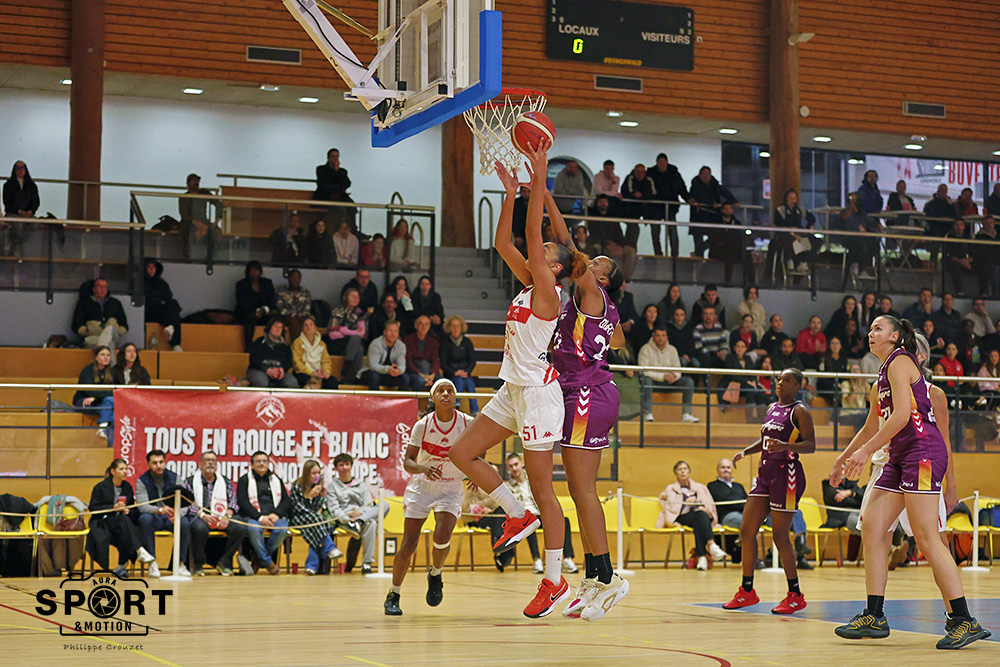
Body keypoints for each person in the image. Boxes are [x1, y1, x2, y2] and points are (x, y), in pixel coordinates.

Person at [447, 144, 588, 619]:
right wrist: (510, 193)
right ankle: (515, 512)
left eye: (546, 251)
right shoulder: (530, 283)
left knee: (545, 489)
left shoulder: (550, 290)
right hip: (513, 388)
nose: (538, 250)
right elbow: (503, 244)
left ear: (556, 268)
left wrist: (539, 175)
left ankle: (554, 580)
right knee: (461, 453)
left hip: (540, 396)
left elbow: (529, 233)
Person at [830, 317, 988, 648]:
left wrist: (865, 453)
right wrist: (842, 459)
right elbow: (870, 427)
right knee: (873, 526)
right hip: (899, 457)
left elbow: (903, 415)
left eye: (878, 328)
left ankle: (963, 620)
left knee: (928, 538)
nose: (870, 333)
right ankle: (874, 615)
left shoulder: (901, 361)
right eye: (870, 329)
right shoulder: (882, 375)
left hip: (922, 454)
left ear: (895, 336)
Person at [544, 188, 634, 620]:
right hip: (581, 389)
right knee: (578, 492)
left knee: (582, 490)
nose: (592, 261)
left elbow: (567, 245)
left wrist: (546, 194)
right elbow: (617, 341)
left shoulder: (593, 294)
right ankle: (594, 577)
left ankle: (610, 578)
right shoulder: (592, 301)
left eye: (600, 263)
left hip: (586, 392)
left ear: (604, 280)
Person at [723, 368, 815, 614]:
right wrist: (745, 451)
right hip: (765, 473)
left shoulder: (800, 411)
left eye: (787, 380)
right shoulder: (772, 408)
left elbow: (811, 445)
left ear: (797, 385)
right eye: (779, 379)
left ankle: (795, 595)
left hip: (788, 475)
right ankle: (747, 591)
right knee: (747, 530)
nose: (780, 383)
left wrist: (785, 446)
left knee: (780, 536)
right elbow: (766, 441)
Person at [384, 380, 472, 615]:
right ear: (433, 398)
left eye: (450, 390)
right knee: (408, 545)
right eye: (440, 391)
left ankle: (435, 573)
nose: (446, 394)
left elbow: (479, 449)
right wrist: (423, 469)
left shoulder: (467, 422)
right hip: (422, 486)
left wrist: (477, 469)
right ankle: (394, 593)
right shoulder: (422, 425)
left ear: (455, 397)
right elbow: (408, 462)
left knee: (442, 535)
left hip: (450, 487)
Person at [498, 453, 580, 579]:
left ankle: (568, 559)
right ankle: (537, 560)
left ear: (522, 464)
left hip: (541, 514)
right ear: (508, 468)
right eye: (511, 466)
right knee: (529, 524)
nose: (514, 468)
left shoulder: (533, 479)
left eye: (516, 464)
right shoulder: (507, 487)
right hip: (525, 517)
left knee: (564, 521)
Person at [86, 458, 156, 578]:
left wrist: (128, 511)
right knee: (124, 522)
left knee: (125, 526)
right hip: (103, 522)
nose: (125, 471)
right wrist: (112, 508)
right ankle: (140, 550)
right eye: (121, 469)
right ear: (113, 471)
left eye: (126, 469)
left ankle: (121, 565)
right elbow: (93, 508)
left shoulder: (127, 487)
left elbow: (133, 508)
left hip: (120, 522)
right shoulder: (100, 487)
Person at [184, 450, 247, 577]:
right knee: (199, 528)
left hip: (222, 515)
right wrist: (203, 515)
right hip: (200, 515)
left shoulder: (225, 481)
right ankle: (198, 564)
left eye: (213, 460)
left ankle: (225, 562)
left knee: (240, 528)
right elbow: (186, 503)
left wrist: (227, 516)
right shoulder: (190, 481)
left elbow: (233, 502)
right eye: (207, 460)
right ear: (200, 464)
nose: (210, 463)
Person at [656, 461, 729, 570]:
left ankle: (702, 557)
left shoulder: (700, 487)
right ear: (676, 473)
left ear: (689, 472)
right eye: (680, 469)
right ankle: (712, 545)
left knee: (699, 521)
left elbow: (709, 503)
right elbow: (669, 505)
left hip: (699, 517)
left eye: (685, 469)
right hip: (681, 516)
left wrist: (699, 505)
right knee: (700, 516)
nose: (683, 471)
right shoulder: (670, 488)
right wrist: (686, 504)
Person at [326, 452, 387, 575]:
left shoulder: (361, 484)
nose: (344, 468)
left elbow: (368, 505)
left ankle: (366, 564)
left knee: (384, 505)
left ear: (351, 466)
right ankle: (367, 562)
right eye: (341, 465)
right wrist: (348, 517)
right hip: (345, 521)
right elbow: (334, 509)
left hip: (361, 517)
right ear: (336, 468)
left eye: (347, 464)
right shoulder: (332, 487)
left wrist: (359, 515)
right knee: (372, 523)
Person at [135, 449, 191, 578]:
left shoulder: (175, 478)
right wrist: (159, 510)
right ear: (148, 464)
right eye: (154, 463)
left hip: (172, 517)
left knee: (184, 523)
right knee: (144, 519)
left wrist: (177, 515)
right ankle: (152, 562)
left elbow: (185, 503)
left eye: (161, 462)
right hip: (155, 517)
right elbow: (142, 506)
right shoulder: (141, 481)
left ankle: (181, 563)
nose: (158, 466)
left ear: (165, 462)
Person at [237, 451, 291, 575]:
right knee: (254, 529)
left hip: (273, 517)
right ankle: (267, 561)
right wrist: (260, 517)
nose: (262, 464)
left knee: (282, 529)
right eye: (258, 461)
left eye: (264, 461)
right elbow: (243, 502)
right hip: (253, 517)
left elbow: (286, 501)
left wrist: (277, 514)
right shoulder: (244, 480)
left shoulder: (276, 479)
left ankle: (259, 559)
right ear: (252, 465)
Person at [637, 326, 698, 423]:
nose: (660, 338)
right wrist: (662, 377)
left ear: (667, 337)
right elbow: (643, 371)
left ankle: (687, 414)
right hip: (654, 382)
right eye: (658, 335)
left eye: (663, 336)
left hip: (670, 382)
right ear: (653, 336)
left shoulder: (672, 349)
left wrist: (674, 376)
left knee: (688, 382)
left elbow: (678, 369)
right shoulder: (645, 349)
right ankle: (648, 413)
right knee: (645, 380)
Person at [290, 460, 341, 576]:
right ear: (306, 474)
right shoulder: (297, 487)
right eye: (313, 473)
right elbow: (298, 508)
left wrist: (316, 508)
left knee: (317, 528)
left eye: (318, 473)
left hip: (314, 521)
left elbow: (319, 507)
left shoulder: (319, 487)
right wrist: (309, 497)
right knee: (318, 521)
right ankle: (330, 548)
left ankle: (311, 566)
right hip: (298, 518)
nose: (317, 476)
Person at [648, 153, 692, 257]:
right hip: (655, 207)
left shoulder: (674, 174)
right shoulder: (650, 174)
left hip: (670, 207)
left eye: (663, 162)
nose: (662, 164)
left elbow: (682, 188)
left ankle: (675, 254)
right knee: (655, 232)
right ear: (657, 163)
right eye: (660, 162)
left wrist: (688, 198)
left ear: (667, 163)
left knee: (672, 231)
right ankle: (658, 253)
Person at [689, 166, 737, 259]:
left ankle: (698, 254)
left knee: (714, 237)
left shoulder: (715, 185)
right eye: (704, 174)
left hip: (711, 216)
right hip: (698, 216)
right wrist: (711, 203)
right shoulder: (695, 185)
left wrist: (733, 200)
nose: (706, 176)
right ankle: (698, 259)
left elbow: (724, 191)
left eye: (708, 174)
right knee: (698, 239)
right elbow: (698, 196)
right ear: (700, 175)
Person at [768, 188, 817, 279]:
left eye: (794, 198)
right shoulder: (781, 209)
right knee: (789, 240)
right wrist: (792, 233)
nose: (792, 201)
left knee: (813, 240)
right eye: (790, 198)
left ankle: (804, 261)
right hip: (785, 233)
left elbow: (811, 218)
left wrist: (806, 229)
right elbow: (779, 224)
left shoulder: (799, 210)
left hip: (799, 232)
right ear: (786, 199)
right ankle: (789, 261)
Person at [72, 278, 129, 350]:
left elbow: (124, 325)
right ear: (93, 289)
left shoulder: (115, 303)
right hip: (92, 337)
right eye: (99, 286)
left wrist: (114, 327)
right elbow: (76, 325)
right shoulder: (83, 303)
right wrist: (90, 328)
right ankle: (107, 354)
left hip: (112, 336)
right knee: (107, 344)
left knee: (109, 331)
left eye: (105, 287)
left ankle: (104, 348)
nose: (102, 289)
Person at [72, 345, 115, 441]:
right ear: (96, 357)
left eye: (108, 355)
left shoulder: (111, 372)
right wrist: (98, 396)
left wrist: (96, 398)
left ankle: (104, 430)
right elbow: (90, 391)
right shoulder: (87, 370)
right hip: (83, 401)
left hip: (100, 401)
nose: (106, 357)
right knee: (109, 403)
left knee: (110, 402)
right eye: (102, 355)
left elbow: (114, 391)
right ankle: (104, 430)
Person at [326, 288, 367, 383]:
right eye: (352, 296)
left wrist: (344, 331)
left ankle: (347, 366)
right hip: (337, 343)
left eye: (357, 297)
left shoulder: (359, 313)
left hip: (350, 345)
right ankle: (357, 376)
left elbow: (361, 333)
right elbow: (332, 333)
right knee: (357, 344)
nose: (355, 299)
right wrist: (350, 334)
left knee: (358, 347)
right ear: (345, 298)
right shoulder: (337, 311)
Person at [720, 339, 769, 419]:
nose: (740, 349)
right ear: (734, 348)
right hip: (736, 383)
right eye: (738, 347)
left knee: (760, 390)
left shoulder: (748, 358)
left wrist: (753, 381)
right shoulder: (730, 357)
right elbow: (730, 375)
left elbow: (752, 372)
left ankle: (761, 418)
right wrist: (747, 381)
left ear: (746, 348)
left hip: (749, 383)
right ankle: (749, 417)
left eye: (742, 347)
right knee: (750, 389)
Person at [234, 260, 277, 351]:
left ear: (260, 272)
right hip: (247, 314)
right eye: (252, 270)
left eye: (256, 270)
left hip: (265, 313)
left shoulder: (267, 284)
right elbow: (242, 303)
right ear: (248, 272)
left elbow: (272, 302)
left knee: (276, 319)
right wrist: (256, 312)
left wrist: (263, 310)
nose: (254, 272)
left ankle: (274, 348)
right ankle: (248, 349)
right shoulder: (241, 285)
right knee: (249, 320)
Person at [440, 315, 479, 415]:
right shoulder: (445, 342)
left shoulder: (467, 342)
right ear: (449, 328)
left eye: (457, 326)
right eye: (453, 326)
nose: (455, 328)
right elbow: (443, 363)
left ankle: (475, 411)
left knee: (469, 383)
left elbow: (472, 361)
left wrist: (466, 372)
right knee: (459, 381)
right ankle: (456, 407)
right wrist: (454, 372)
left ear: (461, 327)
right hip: (451, 374)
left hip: (465, 373)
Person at [177, 173, 221, 259]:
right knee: (185, 231)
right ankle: (187, 257)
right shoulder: (184, 197)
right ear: (188, 184)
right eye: (193, 181)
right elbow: (184, 215)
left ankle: (212, 257)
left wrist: (217, 219)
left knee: (216, 231)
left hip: (204, 222)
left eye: (197, 181)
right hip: (189, 223)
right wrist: (195, 223)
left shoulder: (203, 193)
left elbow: (218, 204)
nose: (196, 183)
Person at [246, 317, 298, 388]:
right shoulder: (259, 342)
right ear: (270, 327)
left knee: (292, 382)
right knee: (262, 381)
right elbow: (254, 360)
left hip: (278, 373)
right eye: (275, 326)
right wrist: (267, 370)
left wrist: (282, 369)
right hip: (259, 370)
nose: (277, 329)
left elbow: (288, 362)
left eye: (280, 327)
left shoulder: (285, 346)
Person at [360, 320, 412, 390]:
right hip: (371, 372)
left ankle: (400, 397)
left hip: (390, 374)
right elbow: (373, 366)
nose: (393, 334)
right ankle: (375, 397)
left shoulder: (401, 346)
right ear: (384, 332)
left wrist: (398, 370)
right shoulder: (375, 344)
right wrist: (388, 369)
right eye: (390, 331)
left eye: (395, 331)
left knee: (405, 378)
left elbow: (402, 366)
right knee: (374, 377)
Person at [144, 259, 183, 350]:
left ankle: (171, 329)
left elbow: (168, 298)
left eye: (153, 267)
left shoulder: (162, 283)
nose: (151, 270)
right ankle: (174, 341)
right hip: (148, 311)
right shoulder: (140, 283)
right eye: (149, 267)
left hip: (162, 311)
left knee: (174, 304)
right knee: (172, 314)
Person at [2, 160, 39, 256]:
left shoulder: (32, 186)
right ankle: (17, 249)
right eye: (18, 168)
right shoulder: (8, 185)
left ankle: (24, 247)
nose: (20, 170)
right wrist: (19, 211)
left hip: (28, 214)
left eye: (22, 168)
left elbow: (36, 202)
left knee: (35, 224)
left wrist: (30, 211)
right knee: (18, 225)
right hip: (13, 213)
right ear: (14, 170)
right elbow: (7, 203)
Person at [292, 315, 339, 389]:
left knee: (332, 382)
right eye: (306, 325)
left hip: (319, 373)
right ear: (302, 329)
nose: (308, 327)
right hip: (304, 373)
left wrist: (326, 372)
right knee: (306, 380)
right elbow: (297, 362)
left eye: (311, 325)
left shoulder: (322, 344)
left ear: (315, 328)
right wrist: (311, 373)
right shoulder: (297, 342)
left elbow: (326, 361)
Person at [621, 163, 659, 252]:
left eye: (642, 172)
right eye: (638, 172)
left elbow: (654, 194)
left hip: (647, 209)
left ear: (645, 173)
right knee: (633, 228)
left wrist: (642, 195)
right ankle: (630, 249)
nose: (640, 174)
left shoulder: (649, 180)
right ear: (634, 172)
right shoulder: (630, 178)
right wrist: (634, 195)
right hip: (632, 209)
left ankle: (658, 252)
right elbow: (625, 192)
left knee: (655, 227)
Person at [707, 458, 747, 531]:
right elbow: (725, 499)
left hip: (743, 514)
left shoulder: (739, 486)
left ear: (732, 470)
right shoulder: (712, 485)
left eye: (728, 467)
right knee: (748, 522)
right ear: (717, 470)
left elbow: (747, 501)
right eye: (723, 467)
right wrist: (740, 503)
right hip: (726, 517)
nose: (726, 470)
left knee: (757, 519)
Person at [403, 315, 441, 389]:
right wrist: (422, 375)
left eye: (426, 324)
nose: (424, 327)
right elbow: (408, 361)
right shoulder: (408, 339)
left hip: (429, 372)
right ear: (416, 326)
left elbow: (436, 360)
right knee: (420, 381)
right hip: (414, 372)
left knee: (442, 382)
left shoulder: (432, 341)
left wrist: (432, 375)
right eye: (421, 324)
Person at [275, 269, 312, 341]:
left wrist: (300, 315)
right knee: (292, 320)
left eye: (298, 278)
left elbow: (307, 308)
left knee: (308, 322)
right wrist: (293, 315)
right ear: (288, 279)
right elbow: (280, 308)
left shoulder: (305, 292)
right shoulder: (281, 291)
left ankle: (301, 343)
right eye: (293, 278)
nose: (295, 280)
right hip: (286, 317)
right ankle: (299, 342)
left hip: (302, 317)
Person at [943, 218, 973, 294]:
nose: (959, 227)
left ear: (964, 227)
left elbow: (974, 253)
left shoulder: (968, 238)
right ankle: (959, 291)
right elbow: (948, 254)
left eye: (961, 225)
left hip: (966, 261)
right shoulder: (949, 238)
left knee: (983, 265)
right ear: (953, 226)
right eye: (956, 225)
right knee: (955, 267)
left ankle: (984, 292)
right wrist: (961, 261)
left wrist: (967, 261)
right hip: (953, 261)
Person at [971, 216, 1000, 297]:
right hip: (985, 262)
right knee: (994, 269)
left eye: (991, 223)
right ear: (983, 224)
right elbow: (980, 253)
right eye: (986, 223)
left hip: (996, 262)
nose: (989, 225)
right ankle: (995, 295)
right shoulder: (978, 238)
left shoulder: (998, 237)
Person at [817, 337, 848, 404]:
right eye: (833, 343)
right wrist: (834, 383)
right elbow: (821, 377)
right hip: (827, 385)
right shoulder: (824, 359)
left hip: (839, 384)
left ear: (840, 346)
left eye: (837, 343)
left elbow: (844, 375)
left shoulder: (843, 360)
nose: (835, 346)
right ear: (829, 346)